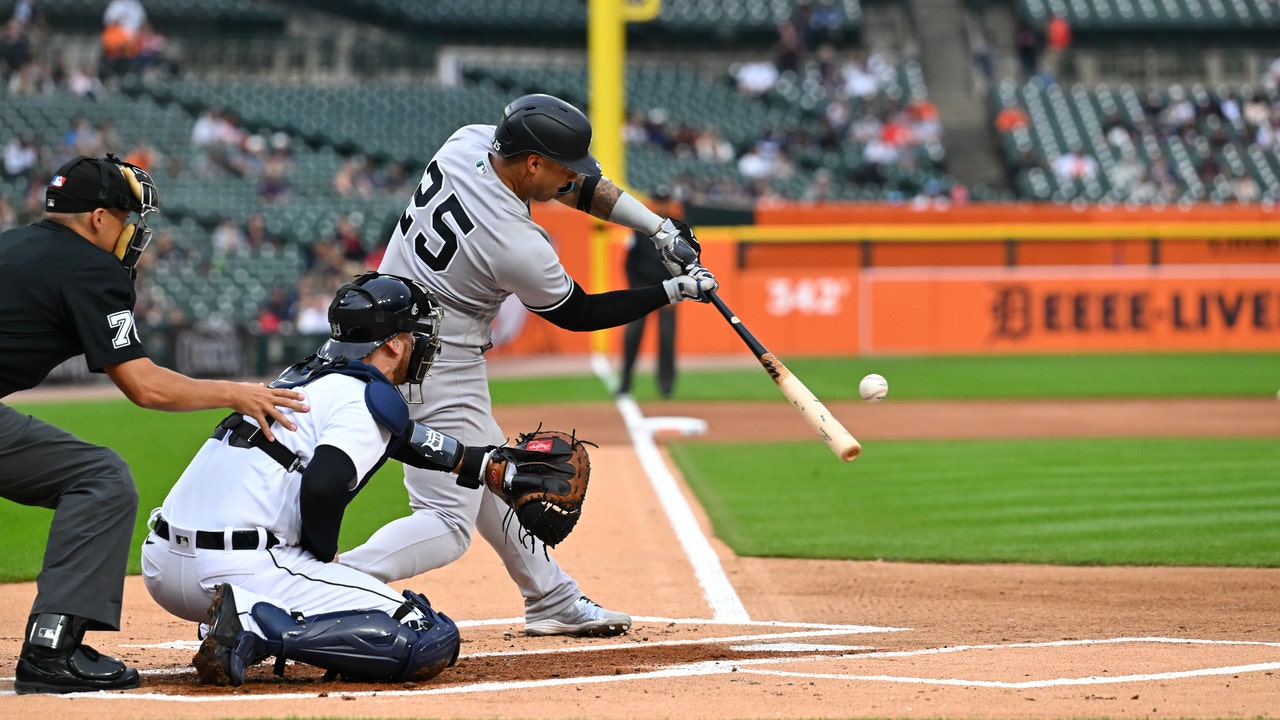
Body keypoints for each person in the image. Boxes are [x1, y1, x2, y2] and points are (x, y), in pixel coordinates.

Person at [344, 93, 716, 637]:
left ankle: (551, 598)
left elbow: (579, 187)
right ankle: (319, 584)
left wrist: (657, 227)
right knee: (448, 523)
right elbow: (581, 314)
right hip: (435, 362)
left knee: (494, 475)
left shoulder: (467, 141)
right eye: (561, 171)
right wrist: (672, 290)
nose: (571, 182)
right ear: (533, 163)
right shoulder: (515, 241)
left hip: (389, 336)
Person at [0, 154, 308, 694]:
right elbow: (146, 386)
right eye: (125, 218)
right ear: (98, 218)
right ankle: (53, 650)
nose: (131, 233)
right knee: (100, 480)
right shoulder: (89, 266)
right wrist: (235, 391)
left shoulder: (11, 244)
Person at [143, 272, 528, 686]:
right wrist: (322, 557)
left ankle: (241, 615)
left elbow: (403, 439)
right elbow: (325, 484)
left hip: (162, 564)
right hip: (236, 567)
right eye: (416, 336)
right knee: (427, 636)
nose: (422, 346)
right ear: (394, 344)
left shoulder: (307, 376)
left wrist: (485, 466)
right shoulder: (366, 396)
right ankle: (252, 624)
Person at [616, 185, 681, 398]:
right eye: (659, 200)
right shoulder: (640, 226)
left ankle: (666, 386)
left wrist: (677, 293)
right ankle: (625, 382)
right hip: (642, 290)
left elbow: (686, 264)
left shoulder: (678, 229)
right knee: (632, 336)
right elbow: (628, 263)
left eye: (665, 200)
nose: (662, 204)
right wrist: (635, 291)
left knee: (667, 338)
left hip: (669, 292)